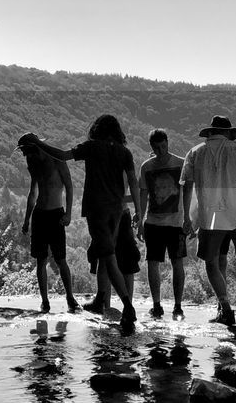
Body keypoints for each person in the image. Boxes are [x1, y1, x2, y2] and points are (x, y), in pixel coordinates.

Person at [20, 115, 144, 333]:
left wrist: (38, 142)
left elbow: (63, 155)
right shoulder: (125, 152)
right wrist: (139, 214)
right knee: (105, 254)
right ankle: (100, 299)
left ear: (96, 129)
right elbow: (133, 183)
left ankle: (127, 306)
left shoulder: (92, 147)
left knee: (108, 257)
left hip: (97, 209)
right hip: (117, 210)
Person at [180, 115, 236, 329]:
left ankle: (226, 308)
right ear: (229, 133)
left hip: (211, 215)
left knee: (212, 262)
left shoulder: (195, 152)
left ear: (210, 132)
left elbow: (187, 186)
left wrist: (187, 217)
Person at [17, 133, 79, 313]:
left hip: (56, 213)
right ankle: (45, 301)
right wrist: (27, 219)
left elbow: (69, 185)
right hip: (39, 214)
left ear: (33, 147)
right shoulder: (32, 162)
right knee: (41, 260)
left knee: (60, 259)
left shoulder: (57, 159)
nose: (24, 155)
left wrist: (68, 214)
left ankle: (70, 297)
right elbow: (33, 192)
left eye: (25, 150)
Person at [137, 128, 187, 319]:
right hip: (153, 222)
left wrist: (190, 218)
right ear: (151, 147)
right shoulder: (146, 166)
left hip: (176, 223)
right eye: (156, 147)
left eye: (163, 146)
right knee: (152, 263)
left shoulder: (181, 164)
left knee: (177, 263)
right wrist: (140, 219)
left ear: (168, 142)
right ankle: (156, 305)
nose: (160, 150)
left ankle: (178, 306)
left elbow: (189, 190)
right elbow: (143, 194)